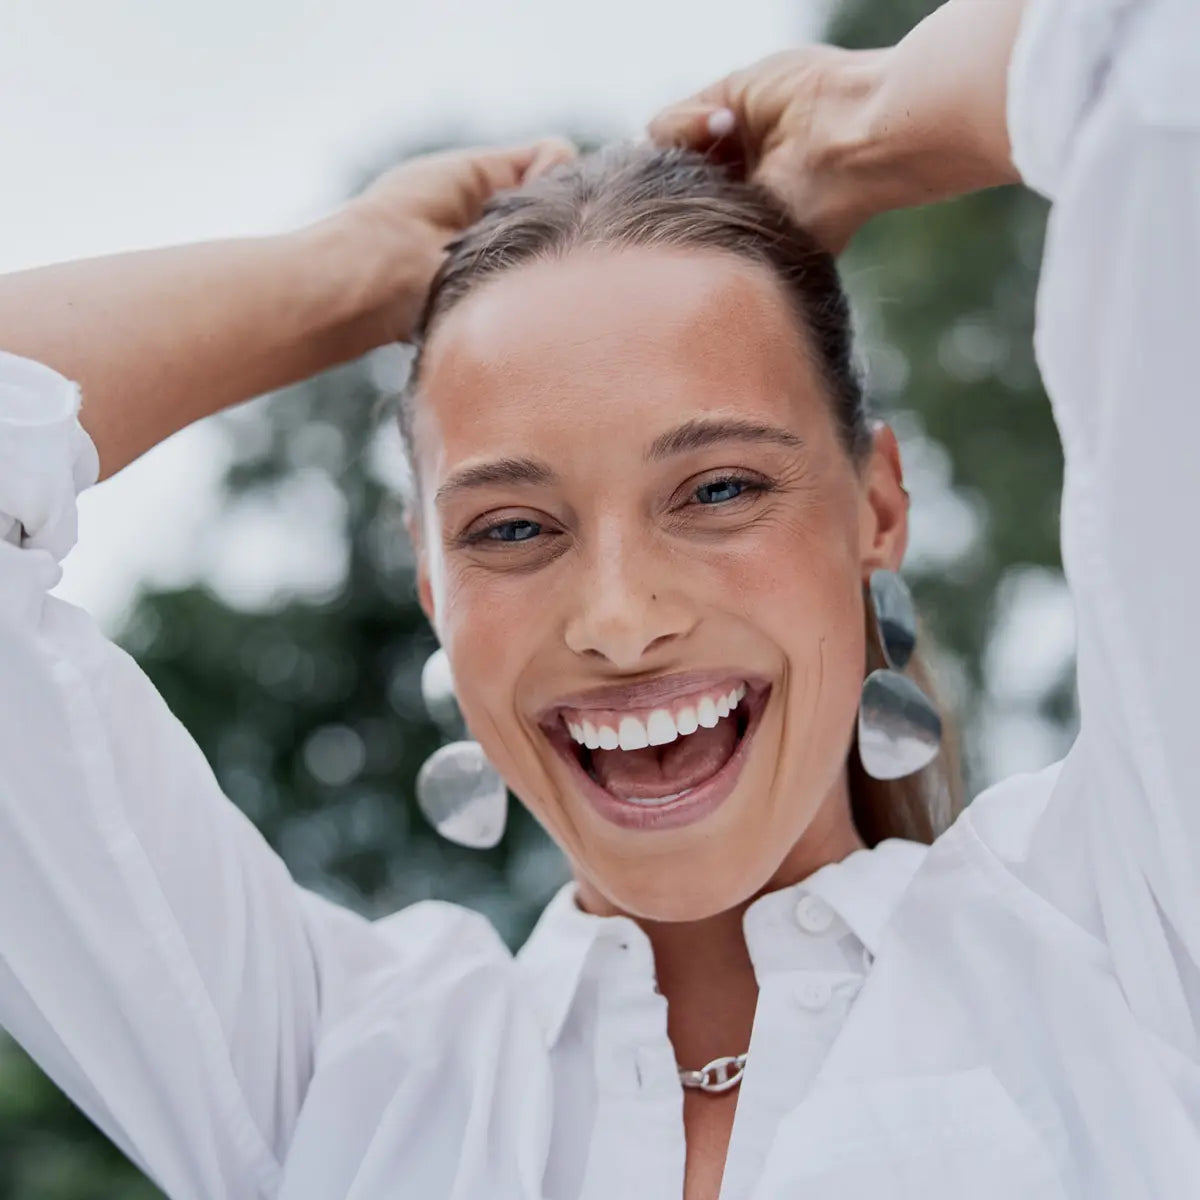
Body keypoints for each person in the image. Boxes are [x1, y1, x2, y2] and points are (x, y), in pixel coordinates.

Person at [0, 0, 1196, 1196]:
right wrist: (345, 274)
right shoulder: (347, 1080)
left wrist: (865, 124)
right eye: (512, 528)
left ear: (875, 510)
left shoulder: (1124, 936)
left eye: (719, 489)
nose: (620, 620)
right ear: (432, 582)